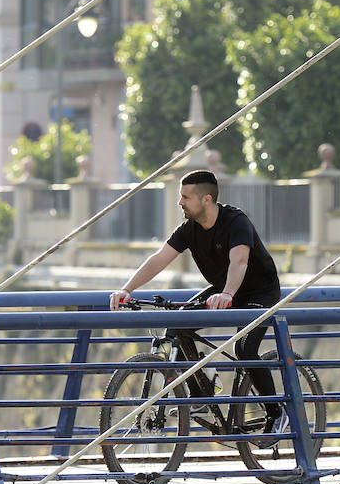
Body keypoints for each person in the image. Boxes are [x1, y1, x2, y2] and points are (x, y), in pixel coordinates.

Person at [109, 169, 284, 437]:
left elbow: (240, 261)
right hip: (222, 291)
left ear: (206, 199)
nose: (180, 202)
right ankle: (201, 391)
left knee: (245, 349)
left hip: (259, 293)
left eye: (185, 197)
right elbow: (159, 259)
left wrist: (227, 294)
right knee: (177, 327)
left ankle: (276, 412)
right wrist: (127, 289)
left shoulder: (236, 221)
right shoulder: (189, 229)